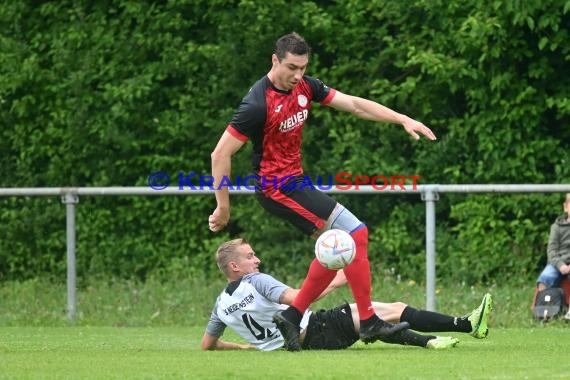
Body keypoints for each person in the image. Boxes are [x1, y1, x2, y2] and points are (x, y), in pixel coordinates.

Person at [209, 32, 437, 351]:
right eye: (292, 67)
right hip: (276, 188)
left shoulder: (306, 86)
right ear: (275, 61)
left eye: (303, 68)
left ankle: (294, 316)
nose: (298, 75)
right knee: (350, 237)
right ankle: (367, 320)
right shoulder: (256, 104)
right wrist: (223, 207)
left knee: (351, 237)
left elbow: (355, 105)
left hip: (297, 183)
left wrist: (401, 118)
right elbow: (220, 155)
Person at [201, 238, 493, 351]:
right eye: (251, 256)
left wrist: (245, 347)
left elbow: (207, 345)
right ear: (236, 266)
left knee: (376, 317)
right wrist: (337, 280)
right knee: (390, 310)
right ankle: (466, 324)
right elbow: (300, 300)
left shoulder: (221, 305)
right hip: (316, 330)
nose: (257, 260)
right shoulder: (257, 281)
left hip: (305, 341)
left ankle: (431, 341)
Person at [536, 193, 570, 292]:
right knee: (545, 278)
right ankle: (544, 305)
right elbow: (552, 250)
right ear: (565, 207)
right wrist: (561, 265)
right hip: (557, 263)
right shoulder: (556, 227)